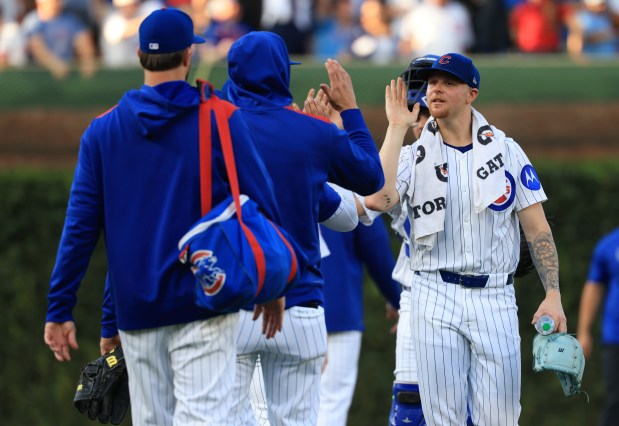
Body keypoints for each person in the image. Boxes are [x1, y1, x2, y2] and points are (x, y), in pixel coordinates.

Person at [43, 8, 283, 425]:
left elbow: (82, 229)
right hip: (207, 293)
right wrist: (275, 282)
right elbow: (263, 199)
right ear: (188, 55)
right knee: (204, 418)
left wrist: (60, 308)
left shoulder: (102, 131)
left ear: (138, 55)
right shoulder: (221, 117)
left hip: (138, 307)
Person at [365, 52, 567, 426]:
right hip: (434, 293)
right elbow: (381, 198)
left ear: (471, 93)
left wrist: (552, 293)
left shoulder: (506, 149)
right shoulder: (411, 153)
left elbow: (537, 227)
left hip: (495, 296)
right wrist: (394, 128)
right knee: (444, 418)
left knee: (501, 418)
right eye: (432, 83)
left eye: (448, 82)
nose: (436, 88)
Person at [222, 31, 385, 425]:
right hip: (300, 306)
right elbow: (370, 176)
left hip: (232, 304)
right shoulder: (312, 131)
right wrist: (349, 111)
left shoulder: (213, 131)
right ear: (281, 72)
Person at [316, 218, 401, 426]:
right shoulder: (353, 185)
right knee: (330, 405)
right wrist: (398, 299)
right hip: (339, 308)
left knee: (281, 405)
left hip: (282, 308)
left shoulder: (277, 183)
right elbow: (375, 246)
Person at [577, 227, 619, 426]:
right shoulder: (609, 244)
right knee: (616, 401)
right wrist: (584, 332)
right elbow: (593, 287)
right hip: (615, 337)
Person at [22, 0, 97, 79]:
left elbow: (83, 42)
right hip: (37, 77)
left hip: (67, 74)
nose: (57, 2)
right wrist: (53, 64)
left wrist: (87, 60)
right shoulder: (33, 21)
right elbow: (36, 46)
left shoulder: (71, 21)